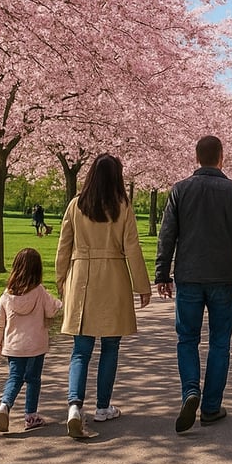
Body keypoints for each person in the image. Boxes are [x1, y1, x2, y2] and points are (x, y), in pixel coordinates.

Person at [154, 135, 232, 433]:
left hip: (188, 277)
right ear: (221, 157)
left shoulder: (180, 190)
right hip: (223, 278)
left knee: (187, 339)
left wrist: (162, 274)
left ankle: (191, 390)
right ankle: (212, 406)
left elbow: (167, 235)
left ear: (196, 156)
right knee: (220, 342)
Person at [56, 154, 152, 439]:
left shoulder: (76, 205)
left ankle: (74, 406)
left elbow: (64, 245)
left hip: (81, 277)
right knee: (110, 348)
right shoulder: (122, 207)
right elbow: (132, 247)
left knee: (80, 351)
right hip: (113, 278)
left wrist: (61, 279)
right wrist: (142, 285)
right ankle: (102, 406)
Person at [0, 247, 63, 433]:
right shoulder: (39, 292)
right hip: (36, 345)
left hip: (13, 345)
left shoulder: (6, 296)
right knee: (33, 379)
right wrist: (61, 300)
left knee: (15, 377)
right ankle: (30, 415)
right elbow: (52, 309)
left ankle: (5, 406)